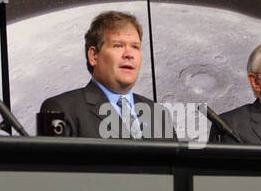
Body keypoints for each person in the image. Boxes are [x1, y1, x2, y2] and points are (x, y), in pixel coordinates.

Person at [38, 10, 177, 140]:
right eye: (118, 45)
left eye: (135, 47)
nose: (129, 54)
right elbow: (51, 166)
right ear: (94, 56)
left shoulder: (159, 114)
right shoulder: (56, 108)